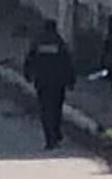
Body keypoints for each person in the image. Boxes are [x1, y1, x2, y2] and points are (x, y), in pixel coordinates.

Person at [23, 19, 76, 150]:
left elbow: (30, 60)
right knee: (56, 109)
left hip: (42, 81)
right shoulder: (59, 42)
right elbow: (67, 63)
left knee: (45, 110)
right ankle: (56, 133)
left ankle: (49, 138)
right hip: (58, 82)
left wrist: (28, 75)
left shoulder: (38, 42)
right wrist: (71, 81)